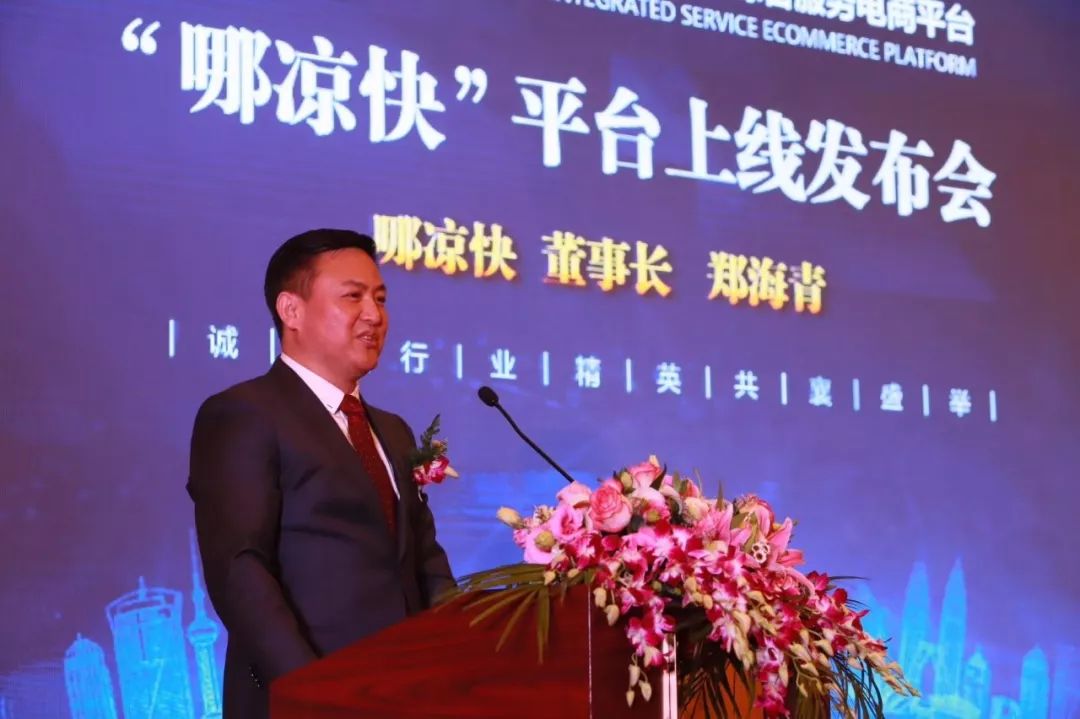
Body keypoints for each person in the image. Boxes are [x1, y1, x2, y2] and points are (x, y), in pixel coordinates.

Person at [187, 229, 454, 717]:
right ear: (291, 311)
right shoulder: (244, 414)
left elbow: (425, 562)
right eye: (353, 297)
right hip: (308, 700)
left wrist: (460, 659)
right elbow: (240, 570)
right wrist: (313, 691)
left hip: (408, 695)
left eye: (380, 299)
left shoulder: (393, 431)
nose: (374, 315)